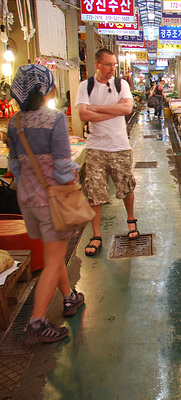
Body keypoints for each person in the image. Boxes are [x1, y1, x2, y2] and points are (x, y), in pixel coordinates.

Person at [7, 64, 85, 344]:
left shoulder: (14, 123)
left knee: (55, 253)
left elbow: (13, 167)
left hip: (27, 201)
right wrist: (73, 179)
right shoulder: (55, 119)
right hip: (52, 200)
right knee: (53, 260)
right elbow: (64, 168)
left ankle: (69, 297)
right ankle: (36, 322)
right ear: (45, 88)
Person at [76, 48, 138, 256]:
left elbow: (127, 110)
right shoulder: (86, 86)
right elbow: (83, 114)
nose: (112, 69)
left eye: (114, 64)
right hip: (96, 147)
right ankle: (96, 235)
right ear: (97, 64)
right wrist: (113, 109)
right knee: (95, 192)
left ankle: (131, 221)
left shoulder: (122, 84)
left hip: (120, 145)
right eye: (108, 64)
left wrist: (96, 110)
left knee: (126, 186)